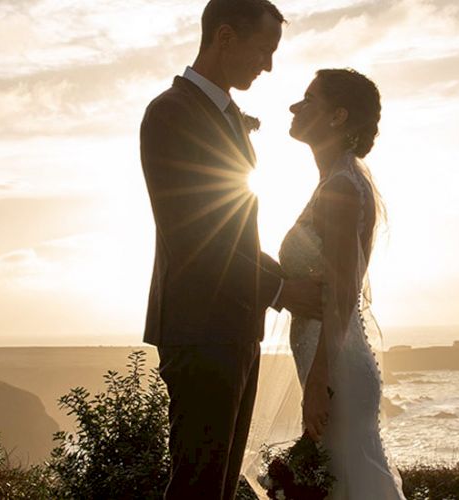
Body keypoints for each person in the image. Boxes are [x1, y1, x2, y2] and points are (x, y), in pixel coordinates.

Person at [136, 1, 323, 498]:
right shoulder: (172, 113)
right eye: (264, 49)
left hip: (233, 326)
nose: (268, 65)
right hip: (200, 329)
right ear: (224, 37)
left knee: (215, 486)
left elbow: (234, 232)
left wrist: (279, 278)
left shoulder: (219, 116)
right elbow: (195, 236)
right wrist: (281, 287)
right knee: (198, 484)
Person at [276, 68, 404, 499]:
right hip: (331, 363)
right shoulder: (336, 181)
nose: (295, 106)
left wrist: (318, 383)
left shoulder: (342, 189)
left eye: (308, 99)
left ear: (338, 117)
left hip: (335, 370)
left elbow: (345, 289)